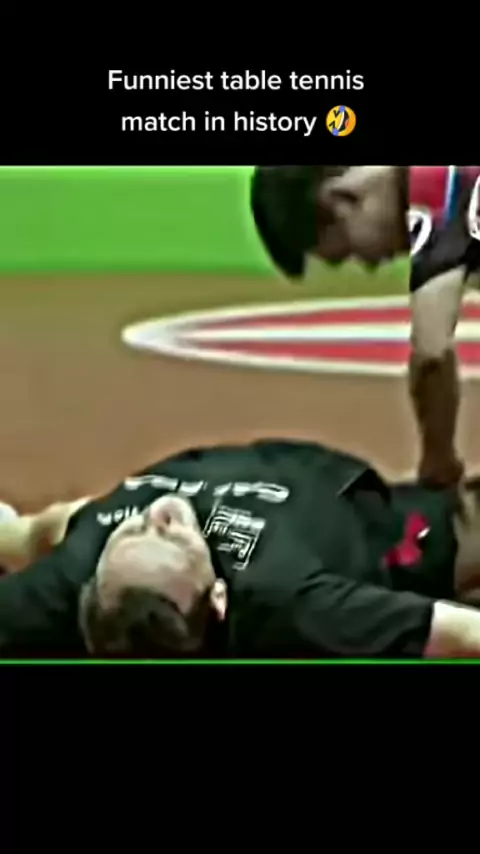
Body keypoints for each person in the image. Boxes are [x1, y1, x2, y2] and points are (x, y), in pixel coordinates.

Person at [3, 437, 480, 658]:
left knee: (41, 532)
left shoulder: (71, 577)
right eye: (171, 536)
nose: (157, 513)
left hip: (202, 467)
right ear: (219, 597)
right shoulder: (287, 600)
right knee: (459, 543)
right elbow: (461, 635)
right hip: (324, 489)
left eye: (132, 531)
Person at [250, 165, 480, 488]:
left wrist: (437, 459)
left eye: (349, 252)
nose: (369, 265)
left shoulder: (438, 195)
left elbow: (431, 352)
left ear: (343, 198)